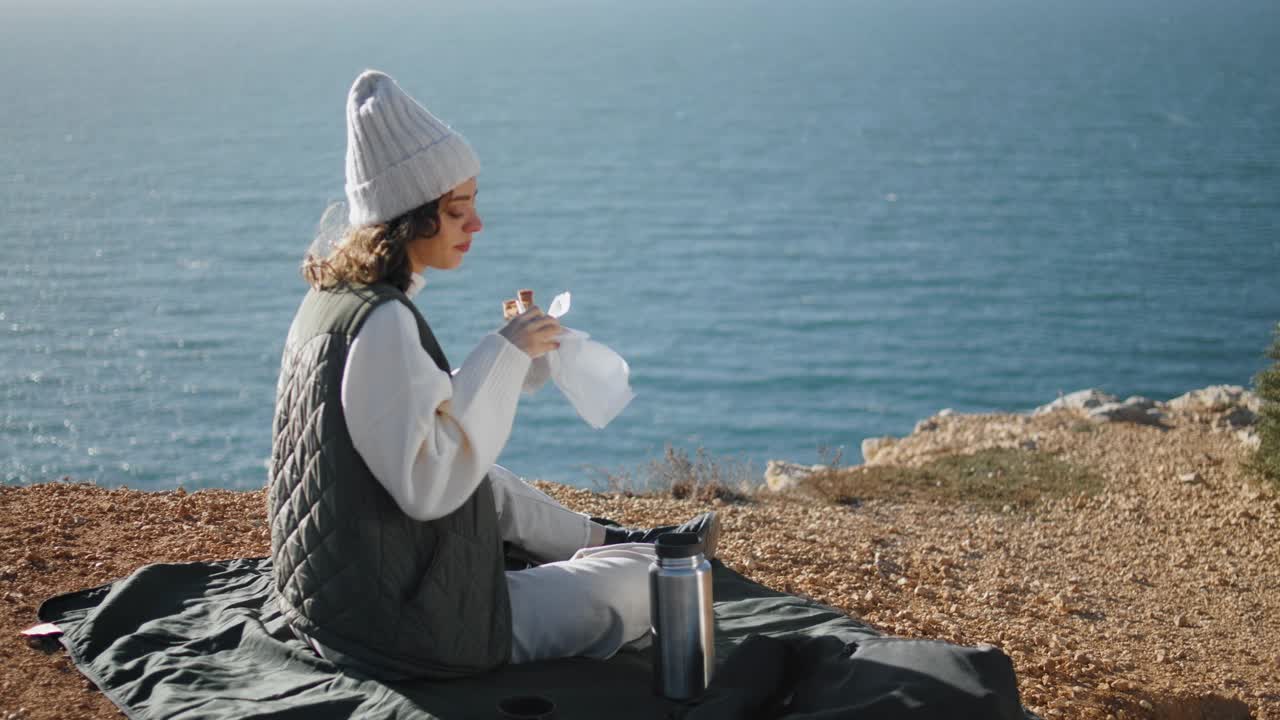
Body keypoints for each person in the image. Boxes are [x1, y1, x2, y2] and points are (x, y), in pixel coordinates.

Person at [267, 69, 719, 681]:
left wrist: (519, 360)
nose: (476, 225)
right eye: (457, 211)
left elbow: (399, 416)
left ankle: (610, 540)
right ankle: (637, 558)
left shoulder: (342, 300)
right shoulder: (382, 325)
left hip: (344, 586)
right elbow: (428, 484)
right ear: (408, 218)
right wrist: (502, 352)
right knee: (652, 585)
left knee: (492, 485)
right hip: (392, 625)